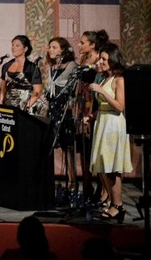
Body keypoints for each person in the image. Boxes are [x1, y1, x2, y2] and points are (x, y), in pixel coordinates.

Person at [86, 44, 132, 222]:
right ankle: (113, 203)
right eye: (100, 58)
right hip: (103, 123)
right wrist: (91, 117)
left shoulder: (119, 80)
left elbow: (120, 106)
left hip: (113, 125)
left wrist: (101, 91)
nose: (101, 62)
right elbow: (104, 106)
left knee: (112, 167)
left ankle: (118, 205)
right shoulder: (105, 78)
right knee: (103, 166)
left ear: (113, 59)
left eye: (104, 59)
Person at [41, 37, 78, 199]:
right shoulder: (52, 67)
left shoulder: (71, 66)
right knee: (50, 143)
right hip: (53, 108)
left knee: (67, 146)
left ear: (62, 50)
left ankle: (72, 181)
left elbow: (74, 89)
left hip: (65, 109)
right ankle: (48, 181)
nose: (50, 49)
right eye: (50, 47)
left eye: (54, 47)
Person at [76, 29, 108, 202]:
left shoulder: (99, 61)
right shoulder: (83, 59)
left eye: (83, 42)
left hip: (94, 104)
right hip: (82, 104)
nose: (79, 45)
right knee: (85, 149)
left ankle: (103, 188)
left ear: (93, 45)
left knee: (97, 148)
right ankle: (87, 185)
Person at [0, 35, 44, 114]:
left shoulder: (32, 68)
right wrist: (0, 105)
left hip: (25, 106)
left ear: (25, 49)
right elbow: (2, 89)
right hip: (8, 105)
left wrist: (27, 107)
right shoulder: (6, 66)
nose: (13, 48)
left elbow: (37, 91)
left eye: (17, 46)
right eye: (12, 45)